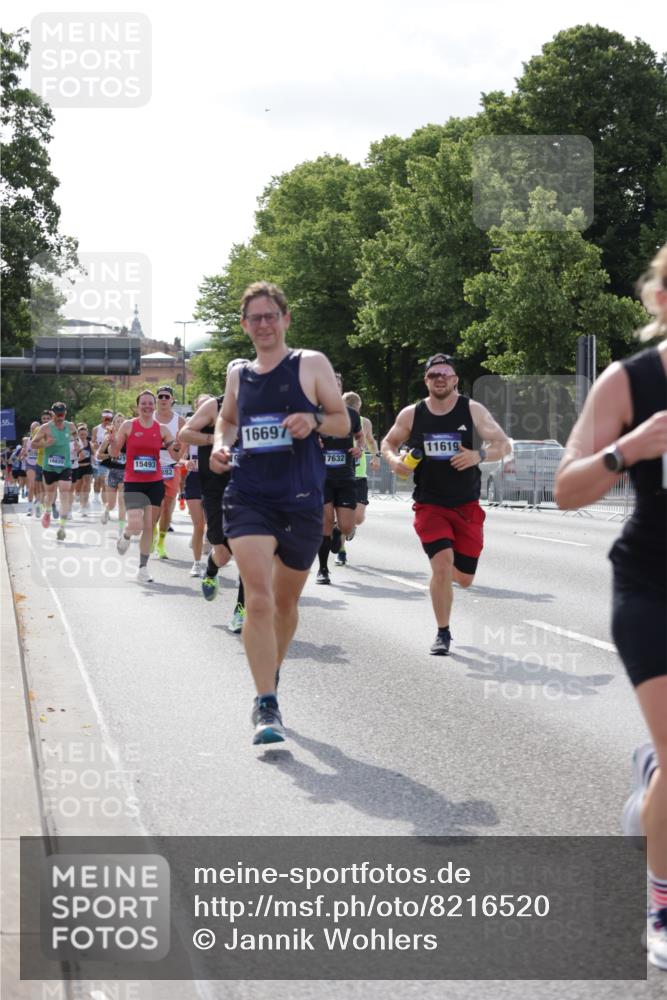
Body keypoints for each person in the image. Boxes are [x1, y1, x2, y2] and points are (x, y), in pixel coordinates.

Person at [555, 243, 667, 971]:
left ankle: (654, 779)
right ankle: (660, 902)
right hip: (652, 586)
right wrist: (627, 448)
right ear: (660, 298)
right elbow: (566, 489)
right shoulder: (632, 380)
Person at [210, 281, 349, 744]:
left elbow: (342, 420)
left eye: (271, 315)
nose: (264, 324)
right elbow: (228, 419)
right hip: (249, 495)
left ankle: (270, 672)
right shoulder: (239, 375)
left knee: (285, 605)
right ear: (245, 325)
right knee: (259, 597)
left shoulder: (310, 364)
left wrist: (314, 420)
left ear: (285, 319)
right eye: (255, 318)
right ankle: (266, 703)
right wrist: (221, 445)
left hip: (301, 498)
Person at [382, 353, 510, 655]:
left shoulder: (472, 410)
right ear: (426, 380)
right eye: (433, 374)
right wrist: (394, 461)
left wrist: (478, 455)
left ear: (455, 380)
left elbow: (503, 444)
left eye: (445, 374)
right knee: (441, 565)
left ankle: (448, 575)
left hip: (466, 505)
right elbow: (388, 443)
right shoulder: (412, 414)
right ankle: (443, 632)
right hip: (430, 503)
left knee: (463, 579)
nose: (439, 379)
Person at [177, 372, 241, 629]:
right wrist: (214, 439)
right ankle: (212, 569)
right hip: (215, 488)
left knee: (246, 550)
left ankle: (241, 610)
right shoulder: (214, 405)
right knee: (223, 553)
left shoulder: (262, 407)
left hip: (249, 490)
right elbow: (184, 434)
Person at [110, 391, 180, 583]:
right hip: (133, 482)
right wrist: (112, 442)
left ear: (154, 405)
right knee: (136, 524)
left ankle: (143, 568)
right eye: (144, 403)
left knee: (148, 526)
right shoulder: (128, 425)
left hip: (155, 482)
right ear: (137, 406)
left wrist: (177, 446)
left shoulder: (162, 429)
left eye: (150, 403)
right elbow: (114, 453)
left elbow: (175, 456)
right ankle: (126, 535)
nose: (147, 406)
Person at [336, 391, 381, 565]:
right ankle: (341, 551)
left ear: (358, 408)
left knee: (359, 517)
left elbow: (370, 441)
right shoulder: (334, 420)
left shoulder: (365, 423)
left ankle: (351, 525)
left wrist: (376, 456)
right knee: (341, 516)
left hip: (359, 473)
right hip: (340, 473)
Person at [30, 402, 78, 540]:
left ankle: (62, 527)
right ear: (53, 414)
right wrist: (46, 443)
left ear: (65, 413)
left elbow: (75, 436)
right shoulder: (45, 428)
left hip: (65, 466)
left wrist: (76, 443)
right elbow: (33, 444)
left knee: (64, 492)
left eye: (62, 413)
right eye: (57, 414)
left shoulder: (70, 426)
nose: (60, 416)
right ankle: (48, 511)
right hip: (49, 467)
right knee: (50, 496)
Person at [154, 385, 187, 559]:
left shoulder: (179, 420)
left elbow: (185, 442)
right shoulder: (149, 417)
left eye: (167, 396)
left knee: (167, 507)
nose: (163, 399)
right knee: (153, 506)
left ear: (172, 400)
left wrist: (179, 457)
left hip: (171, 467)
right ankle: (152, 532)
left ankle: (161, 542)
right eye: (160, 396)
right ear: (156, 399)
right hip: (151, 466)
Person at [91, 409, 113, 507]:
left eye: (109, 419)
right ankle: (96, 498)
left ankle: (106, 502)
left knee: (105, 481)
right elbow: (93, 442)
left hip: (110, 457)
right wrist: (95, 449)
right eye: (105, 418)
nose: (107, 420)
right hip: (98, 457)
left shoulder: (113, 428)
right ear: (102, 418)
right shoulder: (96, 429)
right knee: (98, 479)